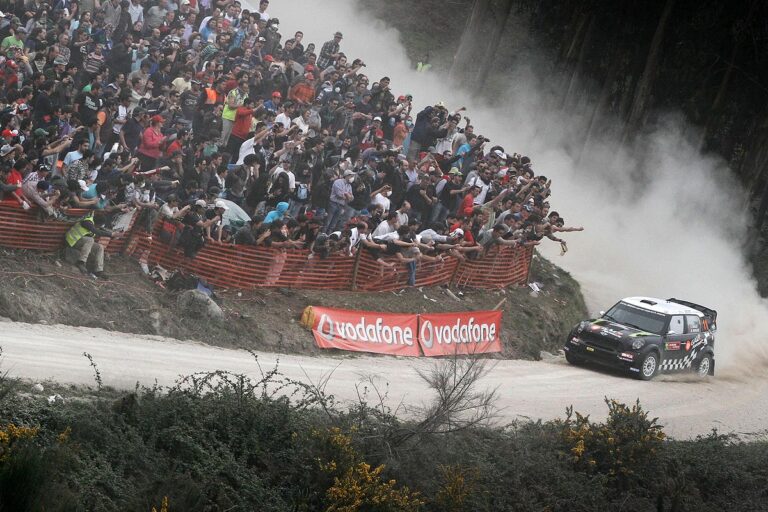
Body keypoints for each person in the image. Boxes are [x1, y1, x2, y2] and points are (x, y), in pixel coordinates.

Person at [64, 210, 117, 279]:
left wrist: (113, 235)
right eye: (100, 225)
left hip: (80, 242)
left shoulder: (94, 224)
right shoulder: (87, 222)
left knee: (100, 247)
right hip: (72, 241)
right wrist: (111, 234)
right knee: (90, 239)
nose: (100, 226)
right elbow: (96, 231)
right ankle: (81, 262)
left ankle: (98, 270)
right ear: (98, 223)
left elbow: (101, 230)